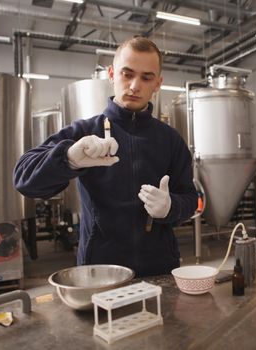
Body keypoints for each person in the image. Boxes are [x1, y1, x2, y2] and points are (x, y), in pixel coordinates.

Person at [13, 37, 197, 277]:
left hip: (159, 269)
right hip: (99, 271)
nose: (134, 86)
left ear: (158, 83)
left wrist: (171, 207)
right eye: (127, 74)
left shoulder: (170, 140)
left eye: (146, 77)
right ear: (112, 74)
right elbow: (24, 178)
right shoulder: (84, 132)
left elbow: (190, 198)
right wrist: (68, 158)